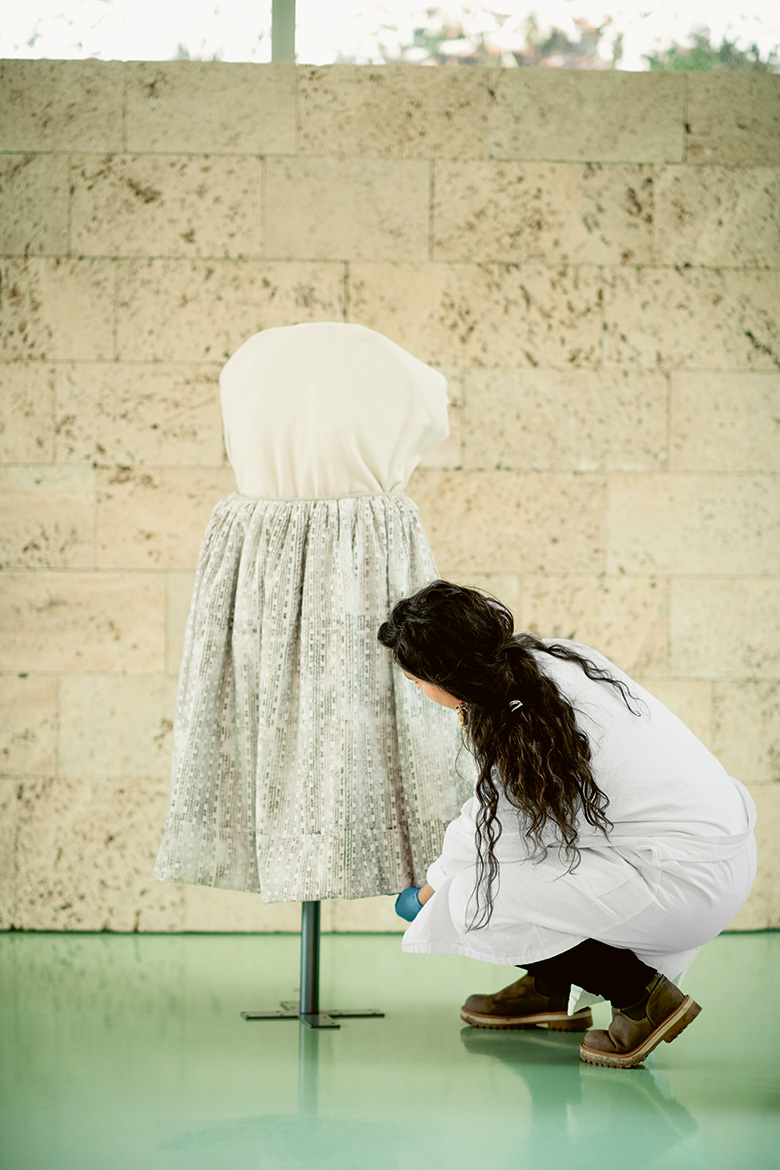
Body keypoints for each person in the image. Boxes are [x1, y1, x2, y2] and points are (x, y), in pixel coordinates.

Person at [379, 580, 757, 1069]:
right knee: (535, 854)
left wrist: (429, 892)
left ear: (446, 677)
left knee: (471, 898)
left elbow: (491, 834)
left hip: (683, 883)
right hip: (717, 850)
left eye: (416, 682)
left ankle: (642, 1000)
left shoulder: (518, 721)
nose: (417, 690)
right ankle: (552, 988)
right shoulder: (552, 660)